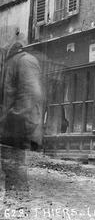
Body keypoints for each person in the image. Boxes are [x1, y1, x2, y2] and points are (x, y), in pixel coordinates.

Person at [0, 41, 43, 199]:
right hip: (9, 131)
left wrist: (9, 120)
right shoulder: (11, 62)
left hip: (16, 130)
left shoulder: (24, 61)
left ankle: (19, 210)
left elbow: (31, 96)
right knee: (10, 172)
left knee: (16, 174)